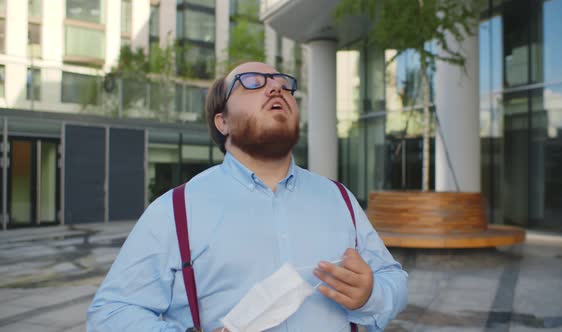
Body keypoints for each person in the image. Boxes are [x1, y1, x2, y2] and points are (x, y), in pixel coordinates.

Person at [87, 62, 408, 332]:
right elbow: (111, 313)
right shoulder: (175, 210)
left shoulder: (340, 199)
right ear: (222, 121)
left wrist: (371, 296)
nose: (275, 88)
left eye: (284, 84)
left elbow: (393, 280)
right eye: (251, 83)